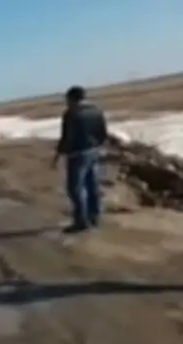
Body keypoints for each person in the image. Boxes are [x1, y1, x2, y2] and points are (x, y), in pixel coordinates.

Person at [52, 85, 109, 233]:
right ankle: (94, 216)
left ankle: (81, 221)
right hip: (94, 151)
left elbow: (66, 136)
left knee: (75, 189)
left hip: (77, 154)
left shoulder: (71, 114)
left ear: (71, 99)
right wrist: (99, 146)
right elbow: (103, 132)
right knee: (92, 185)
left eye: (67, 99)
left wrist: (58, 155)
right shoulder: (97, 110)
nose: (66, 102)